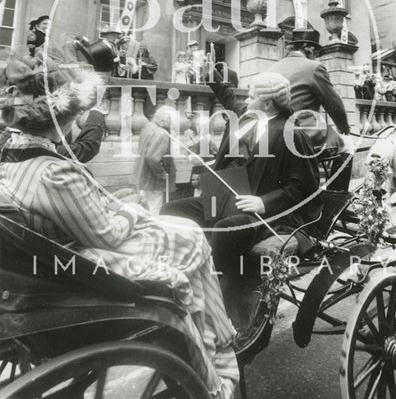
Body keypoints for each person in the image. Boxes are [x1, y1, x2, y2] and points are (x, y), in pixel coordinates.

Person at [0, 69, 239, 399]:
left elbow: (73, 215)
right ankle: (219, 351)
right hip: (81, 268)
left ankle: (217, 330)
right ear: (65, 122)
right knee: (193, 237)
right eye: (80, 116)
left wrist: (115, 206)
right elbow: (106, 235)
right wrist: (129, 211)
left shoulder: (10, 160)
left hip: (45, 260)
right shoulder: (56, 172)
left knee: (182, 229)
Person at [161, 70, 321, 325]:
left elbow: (304, 187)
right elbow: (230, 100)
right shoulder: (248, 120)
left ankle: (210, 291)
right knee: (171, 209)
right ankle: (179, 273)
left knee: (226, 229)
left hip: (267, 215)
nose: (246, 100)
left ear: (267, 103)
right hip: (228, 200)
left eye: (252, 96)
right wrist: (211, 74)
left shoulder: (292, 134)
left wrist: (264, 202)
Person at [269, 28, 353, 154]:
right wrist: (344, 128)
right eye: (316, 53)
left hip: (271, 131)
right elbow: (334, 104)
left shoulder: (272, 68)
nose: (316, 57)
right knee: (347, 145)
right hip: (302, 131)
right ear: (310, 49)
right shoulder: (314, 67)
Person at [131, 106, 176, 215]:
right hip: (153, 179)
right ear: (164, 120)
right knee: (154, 209)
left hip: (142, 174)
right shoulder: (162, 133)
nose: (173, 124)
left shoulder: (147, 127)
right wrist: (162, 174)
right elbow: (153, 158)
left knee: (142, 207)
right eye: (172, 121)